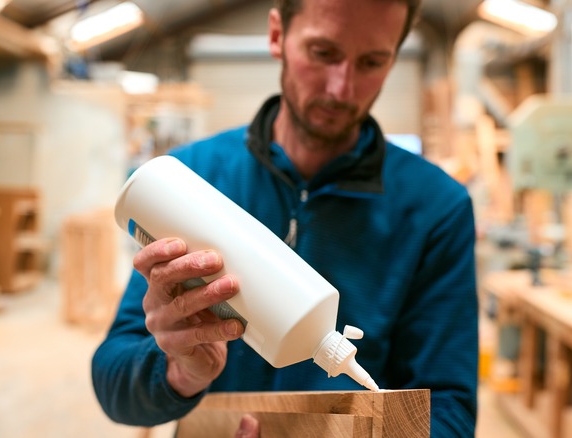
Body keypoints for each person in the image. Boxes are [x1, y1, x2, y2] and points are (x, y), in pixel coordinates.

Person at [92, 0, 478, 436]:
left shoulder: (435, 208)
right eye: (323, 53)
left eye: (371, 61)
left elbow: (451, 410)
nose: (341, 88)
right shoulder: (192, 182)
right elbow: (112, 384)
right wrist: (178, 371)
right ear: (277, 36)